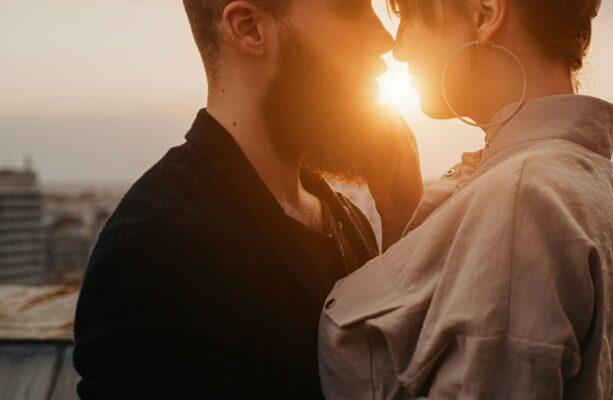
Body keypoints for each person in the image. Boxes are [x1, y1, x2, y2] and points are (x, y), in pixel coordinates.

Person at [72, 0, 422, 398]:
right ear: (249, 28)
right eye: (349, 8)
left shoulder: (347, 219)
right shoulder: (159, 247)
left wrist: (402, 223)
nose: (383, 38)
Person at [318, 0, 613, 398]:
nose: (399, 48)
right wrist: (403, 215)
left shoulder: (525, 197)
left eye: (411, 17)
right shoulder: (561, 175)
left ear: (485, 14)